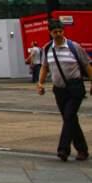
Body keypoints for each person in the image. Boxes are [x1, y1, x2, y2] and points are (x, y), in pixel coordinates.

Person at [37, 19, 92, 162]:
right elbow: (44, 67)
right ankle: (82, 151)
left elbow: (87, 66)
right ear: (50, 33)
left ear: (64, 31)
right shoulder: (47, 48)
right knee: (70, 119)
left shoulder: (74, 47)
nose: (58, 34)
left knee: (68, 116)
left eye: (60, 31)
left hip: (75, 87)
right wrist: (40, 83)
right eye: (55, 32)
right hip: (59, 90)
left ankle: (63, 149)